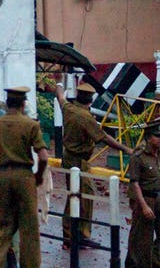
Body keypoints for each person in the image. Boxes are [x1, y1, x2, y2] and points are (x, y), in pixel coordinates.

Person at [53, 80, 133, 246]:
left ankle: (73, 234)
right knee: (81, 196)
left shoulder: (68, 108)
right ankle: (77, 235)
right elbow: (103, 137)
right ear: (90, 100)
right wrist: (126, 149)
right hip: (79, 161)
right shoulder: (85, 117)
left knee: (77, 194)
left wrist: (59, 82)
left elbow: (60, 95)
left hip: (69, 158)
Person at [0, 86, 48, 268]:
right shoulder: (30, 125)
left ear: (7, 103)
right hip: (24, 177)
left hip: (0, 177)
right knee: (29, 230)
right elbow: (43, 157)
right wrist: (38, 177)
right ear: (23, 104)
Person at [125, 124, 160, 267]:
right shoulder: (138, 157)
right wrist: (143, 206)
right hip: (148, 200)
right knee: (143, 239)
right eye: (157, 136)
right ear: (148, 138)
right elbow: (135, 183)